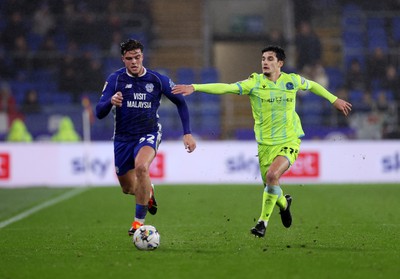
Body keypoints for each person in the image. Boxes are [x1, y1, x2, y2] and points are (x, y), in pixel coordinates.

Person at [172, 45, 351, 237]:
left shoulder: (292, 81)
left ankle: (262, 223)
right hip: (265, 144)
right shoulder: (254, 83)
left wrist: (334, 100)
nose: (265, 62)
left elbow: (313, 85)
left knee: (273, 176)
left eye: (270, 59)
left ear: (280, 63)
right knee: (271, 186)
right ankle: (284, 203)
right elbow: (227, 87)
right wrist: (195, 87)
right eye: (263, 58)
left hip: (289, 140)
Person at [95, 39, 197, 236]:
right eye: (129, 58)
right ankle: (148, 191)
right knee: (127, 188)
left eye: (137, 57)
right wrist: (110, 101)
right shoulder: (115, 80)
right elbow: (99, 112)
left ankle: (138, 224)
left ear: (143, 56)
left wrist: (187, 133)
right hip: (123, 138)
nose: (134, 62)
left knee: (142, 167)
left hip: (148, 133)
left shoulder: (157, 79)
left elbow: (181, 102)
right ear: (123, 59)